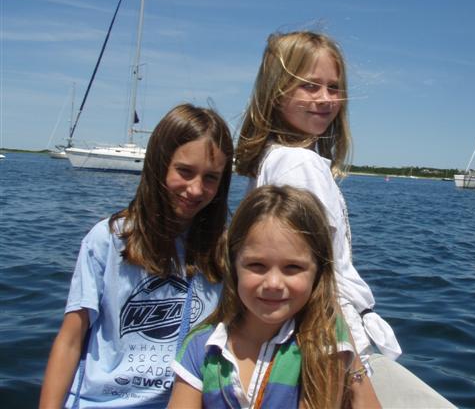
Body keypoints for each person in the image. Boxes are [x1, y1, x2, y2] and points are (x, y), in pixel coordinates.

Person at [39, 103, 234, 408]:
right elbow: (71, 339)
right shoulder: (107, 240)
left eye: (211, 177)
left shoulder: (226, 250)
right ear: (159, 165)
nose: (196, 189)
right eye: (184, 171)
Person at [234, 31, 401, 364]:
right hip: (329, 336)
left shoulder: (275, 158)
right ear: (276, 92)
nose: (325, 98)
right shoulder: (300, 165)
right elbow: (317, 275)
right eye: (309, 86)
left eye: (333, 87)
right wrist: (350, 363)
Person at [168, 185, 380, 409]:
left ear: (318, 272)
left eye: (293, 267)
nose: (273, 283)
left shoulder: (323, 338)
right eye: (257, 265)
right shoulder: (200, 346)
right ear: (233, 265)